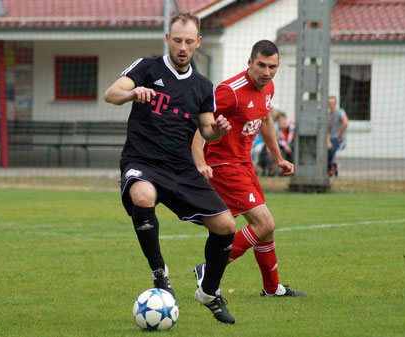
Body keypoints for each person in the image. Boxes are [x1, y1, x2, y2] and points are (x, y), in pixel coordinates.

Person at [104, 12, 236, 324]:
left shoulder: (203, 86)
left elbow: (207, 132)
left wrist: (219, 128)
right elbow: (111, 94)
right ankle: (160, 275)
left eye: (189, 42)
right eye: (177, 40)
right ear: (168, 39)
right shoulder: (147, 68)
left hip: (181, 168)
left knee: (226, 226)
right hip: (142, 161)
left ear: (198, 43)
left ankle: (209, 292)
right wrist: (132, 93)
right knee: (142, 196)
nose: (182, 46)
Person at [192, 40, 306, 298]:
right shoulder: (229, 91)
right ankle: (208, 269)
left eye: (273, 66)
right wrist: (200, 161)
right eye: (261, 65)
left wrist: (277, 158)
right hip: (223, 165)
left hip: (244, 164)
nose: (267, 72)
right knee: (264, 224)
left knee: (265, 228)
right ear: (250, 63)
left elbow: (265, 119)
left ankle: (271, 288)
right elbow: (200, 123)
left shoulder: (269, 88)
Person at [327, 96, 348, 176]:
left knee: (331, 150)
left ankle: (330, 168)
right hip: (330, 139)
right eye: (330, 104)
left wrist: (340, 135)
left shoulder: (340, 112)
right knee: (326, 149)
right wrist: (328, 141)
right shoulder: (327, 116)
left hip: (339, 139)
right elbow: (327, 131)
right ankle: (334, 165)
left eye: (333, 103)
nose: (331, 105)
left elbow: (345, 123)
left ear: (336, 104)